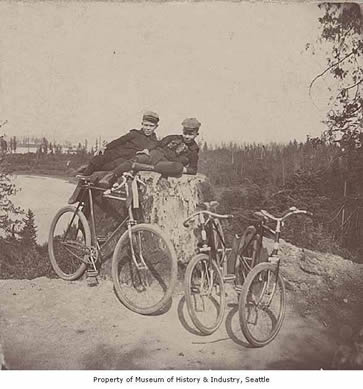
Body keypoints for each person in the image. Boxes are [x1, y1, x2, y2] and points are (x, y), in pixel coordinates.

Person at [68, 111, 159, 204]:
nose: (148, 128)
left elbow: (152, 152)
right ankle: (78, 191)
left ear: (156, 127)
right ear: (142, 124)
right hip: (116, 153)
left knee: (106, 170)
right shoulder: (134, 134)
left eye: (151, 126)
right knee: (97, 160)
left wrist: (147, 151)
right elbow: (119, 141)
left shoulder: (154, 142)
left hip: (124, 160)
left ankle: (87, 189)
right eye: (146, 125)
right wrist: (105, 147)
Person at [100, 117, 201, 187]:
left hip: (165, 164)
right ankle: (111, 176)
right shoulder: (173, 138)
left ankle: (141, 167)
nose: (187, 136)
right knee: (137, 158)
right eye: (185, 133)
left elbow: (193, 169)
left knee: (177, 167)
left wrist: (182, 169)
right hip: (157, 155)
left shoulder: (193, 151)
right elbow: (158, 144)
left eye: (190, 134)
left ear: (196, 134)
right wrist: (147, 149)